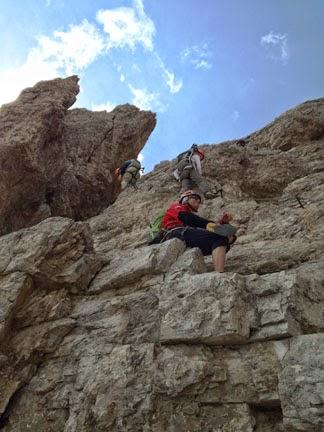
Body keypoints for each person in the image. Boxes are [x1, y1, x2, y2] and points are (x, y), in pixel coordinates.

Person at [161, 190, 237, 272]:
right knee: (220, 238)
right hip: (176, 233)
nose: (198, 201)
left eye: (199, 201)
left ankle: (219, 272)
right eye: (195, 198)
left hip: (183, 234)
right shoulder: (177, 206)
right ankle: (219, 273)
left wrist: (222, 224)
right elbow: (188, 218)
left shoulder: (186, 212)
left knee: (226, 240)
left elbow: (197, 224)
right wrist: (213, 226)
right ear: (185, 199)